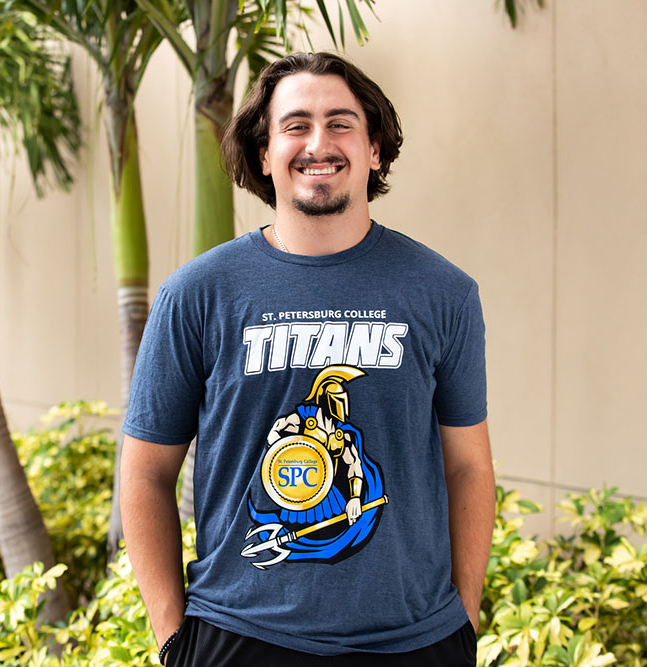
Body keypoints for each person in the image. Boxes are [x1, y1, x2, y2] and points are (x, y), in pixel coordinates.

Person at [120, 52, 495, 666]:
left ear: (375, 149)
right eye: (295, 126)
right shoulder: (197, 295)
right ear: (264, 154)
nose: (318, 143)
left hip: (415, 641)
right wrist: (172, 639)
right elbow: (145, 473)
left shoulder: (443, 292)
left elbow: (469, 469)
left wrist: (463, 622)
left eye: (341, 123)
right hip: (239, 637)